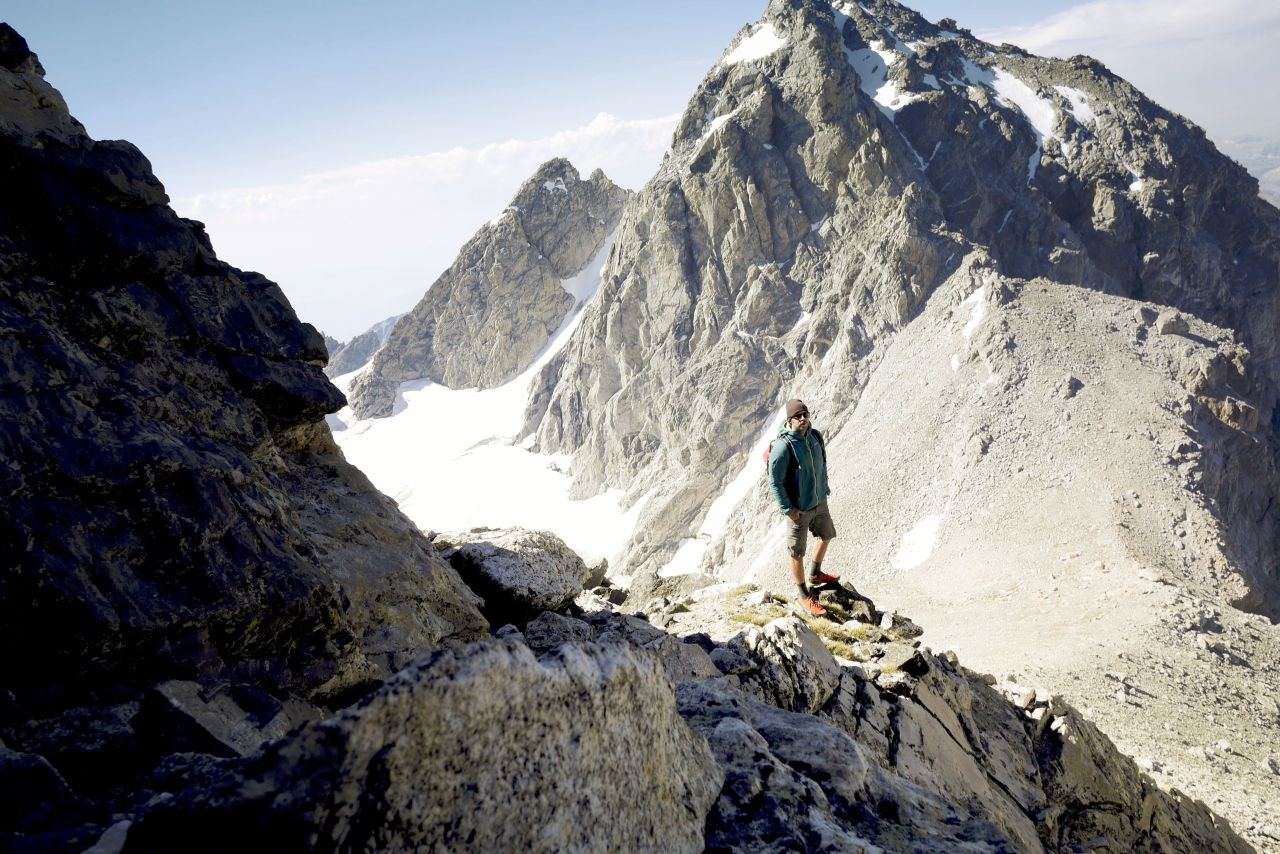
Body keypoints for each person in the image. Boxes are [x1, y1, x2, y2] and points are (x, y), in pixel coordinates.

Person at [767, 398, 839, 616]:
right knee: (796, 553)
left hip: (819, 501)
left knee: (826, 535)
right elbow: (775, 482)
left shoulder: (815, 436)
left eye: (805, 415)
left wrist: (823, 488)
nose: (803, 419)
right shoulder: (782, 447)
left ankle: (815, 573)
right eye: (798, 416)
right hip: (798, 509)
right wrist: (788, 509)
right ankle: (803, 596)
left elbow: (822, 463)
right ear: (790, 419)